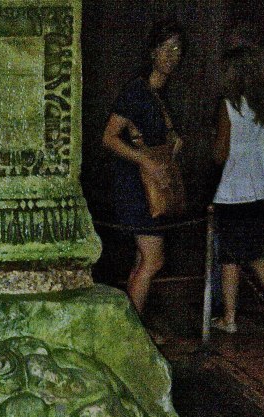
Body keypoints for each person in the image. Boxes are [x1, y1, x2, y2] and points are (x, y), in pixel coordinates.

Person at [102, 18, 185, 319]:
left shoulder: (158, 94)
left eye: (176, 49)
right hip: (136, 186)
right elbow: (108, 137)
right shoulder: (136, 91)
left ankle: (134, 328)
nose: (171, 56)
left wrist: (173, 140)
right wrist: (146, 160)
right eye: (165, 49)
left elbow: (155, 135)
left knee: (143, 260)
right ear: (152, 52)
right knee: (153, 260)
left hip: (149, 186)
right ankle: (134, 333)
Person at [212, 45, 264, 333]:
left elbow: (220, 153)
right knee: (255, 252)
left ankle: (229, 319)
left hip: (235, 192)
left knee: (230, 255)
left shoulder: (229, 105)